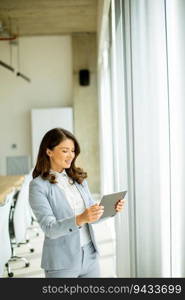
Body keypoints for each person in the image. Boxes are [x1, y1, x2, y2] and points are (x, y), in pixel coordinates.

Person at [29, 128, 125, 278]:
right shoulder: (38, 186)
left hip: (89, 255)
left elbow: (91, 214)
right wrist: (81, 219)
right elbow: (49, 228)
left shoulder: (77, 178)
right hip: (62, 262)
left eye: (73, 151)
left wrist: (111, 210)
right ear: (49, 151)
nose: (70, 156)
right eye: (65, 150)